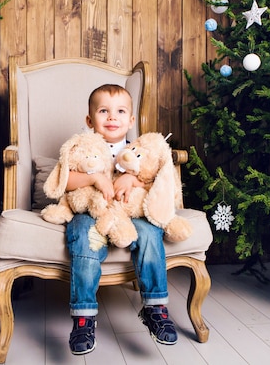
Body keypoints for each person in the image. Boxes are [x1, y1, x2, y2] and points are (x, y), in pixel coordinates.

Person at [65, 83, 177, 355]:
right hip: (92, 214)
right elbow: (63, 181)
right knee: (84, 238)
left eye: (120, 111)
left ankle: (155, 308)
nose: (112, 117)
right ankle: (83, 316)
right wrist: (94, 177)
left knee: (151, 234)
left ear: (131, 120)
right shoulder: (82, 147)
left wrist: (133, 178)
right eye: (104, 111)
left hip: (130, 214)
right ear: (90, 120)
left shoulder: (139, 152)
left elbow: (158, 183)